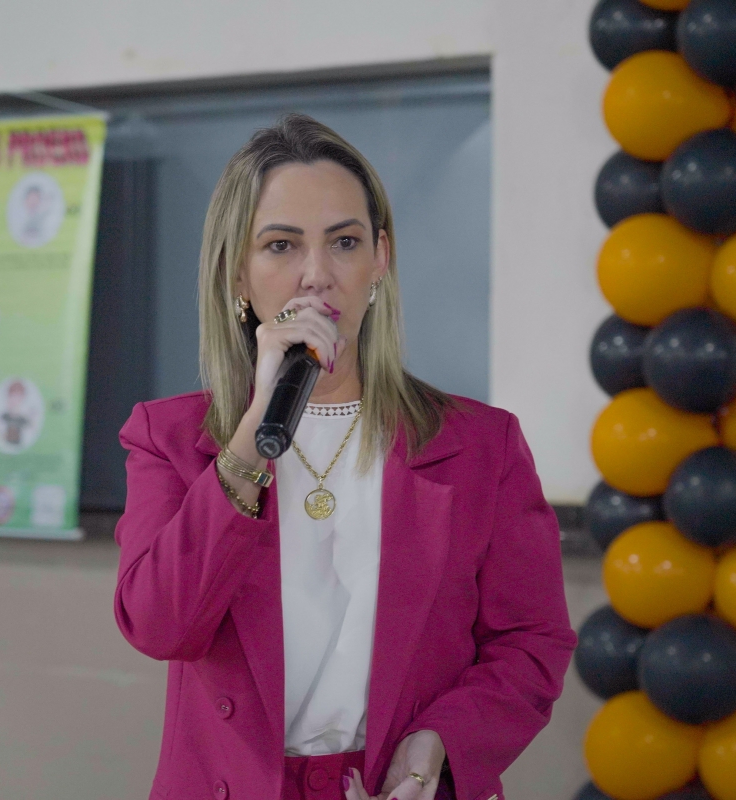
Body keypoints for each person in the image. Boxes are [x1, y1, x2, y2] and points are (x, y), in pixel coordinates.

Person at [113, 114, 575, 800]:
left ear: (379, 259)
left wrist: (437, 745)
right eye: (280, 245)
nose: (316, 276)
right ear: (237, 272)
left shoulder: (484, 445)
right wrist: (252, 434)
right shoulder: (168, 437)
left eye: (345, 242)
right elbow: (160, 626)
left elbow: (531, 642)